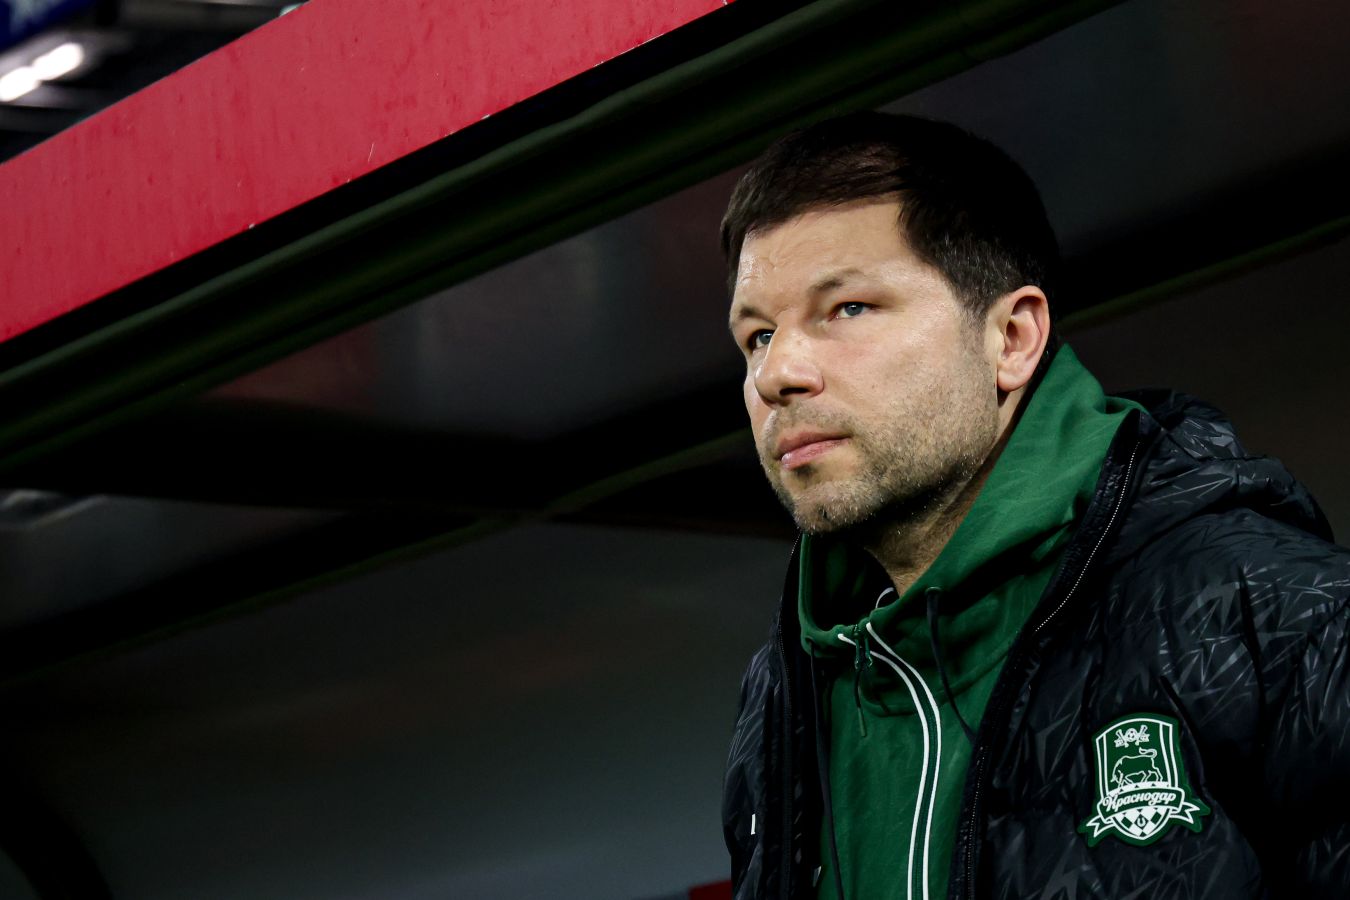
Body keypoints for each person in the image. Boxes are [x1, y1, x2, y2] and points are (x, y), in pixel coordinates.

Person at [718, 111, 1350, 900]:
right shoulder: (782, 693)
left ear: (1012, 337)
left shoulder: (1283, 616)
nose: (777, 373)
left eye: (847, 309)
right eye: (757, 336)